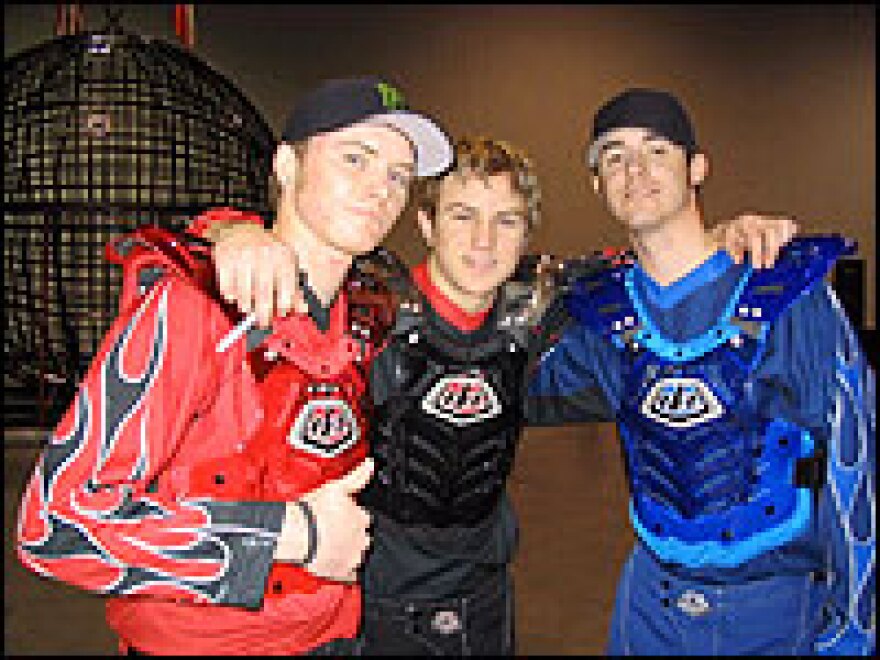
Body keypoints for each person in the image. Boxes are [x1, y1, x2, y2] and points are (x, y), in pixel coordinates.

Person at [193, 132, 798, 654]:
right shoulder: (366, 313)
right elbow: (260, 256)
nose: (484, 240)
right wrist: (231, 233)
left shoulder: (536, 316)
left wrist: (727, 234)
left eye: (506, 220)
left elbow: (659, 263)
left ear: (527, 234)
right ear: (426, 223)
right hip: (375, 600)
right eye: (462, 215)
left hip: (485, 592)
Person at [15, 75, 454, 656]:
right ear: (287, 167)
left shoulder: (362, 315)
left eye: (399, 175)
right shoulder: (193, 308)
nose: (381, 190)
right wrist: (289, 534)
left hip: (333, 634)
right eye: (356, 158)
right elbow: (56, 526)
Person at [529, 88, 875, 655]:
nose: (634, 169)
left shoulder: (787, 294)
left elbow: (856, 467)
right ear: (597, 183)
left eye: (656, 150)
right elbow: (506, 385)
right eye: (612, 155)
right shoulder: (599, 315)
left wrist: (855, 631)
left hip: (775, 608)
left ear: (697, 168)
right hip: (649, 603)